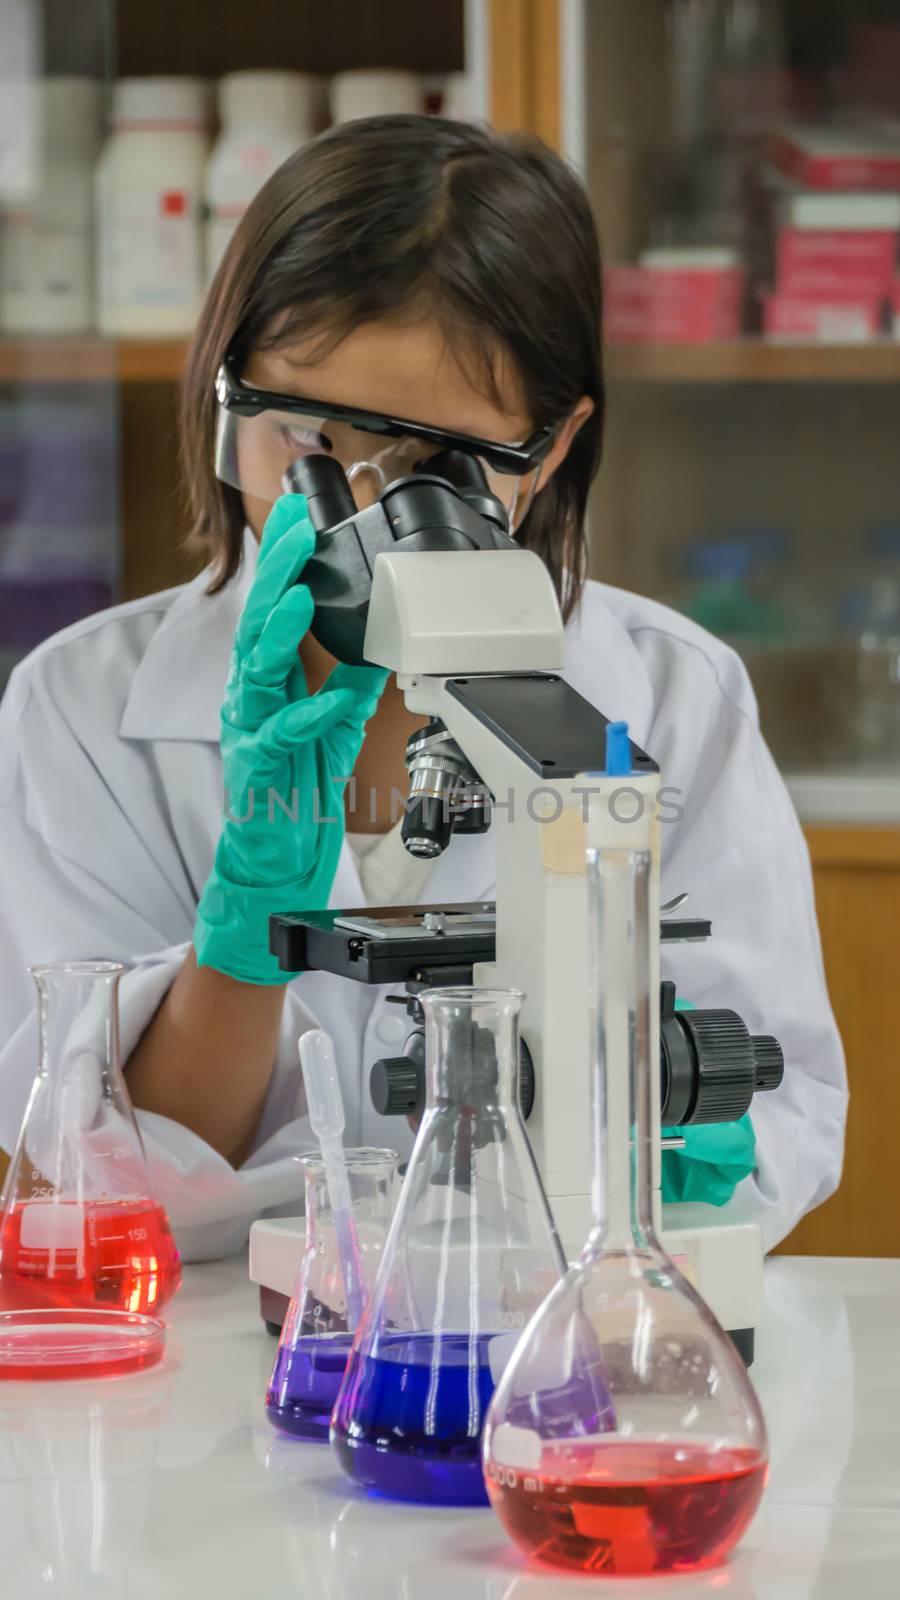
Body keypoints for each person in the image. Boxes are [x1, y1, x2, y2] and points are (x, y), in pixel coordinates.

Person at [0, 116, 845, 1260]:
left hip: (555, 1350)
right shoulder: (77, 711)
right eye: (302, 433)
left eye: (432, 467)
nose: (353, 506)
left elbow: (771, 1124)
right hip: (195, 1381)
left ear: (546, 452)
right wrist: (243, 938)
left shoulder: (672, 696)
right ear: (220, 395)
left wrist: (635, 1137)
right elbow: (99, 1178)